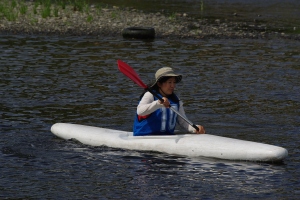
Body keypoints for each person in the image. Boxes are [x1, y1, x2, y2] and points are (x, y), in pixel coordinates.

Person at [133, 67, 205, 136]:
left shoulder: (176, 100)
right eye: (169, 82)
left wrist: (195, 128)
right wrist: (158, 104)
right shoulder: (150, 95)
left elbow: (183, 122)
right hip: (145, 137)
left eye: (174, 82)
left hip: (167, 138)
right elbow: (140, 111)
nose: (173, 86)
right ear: (159, 84)